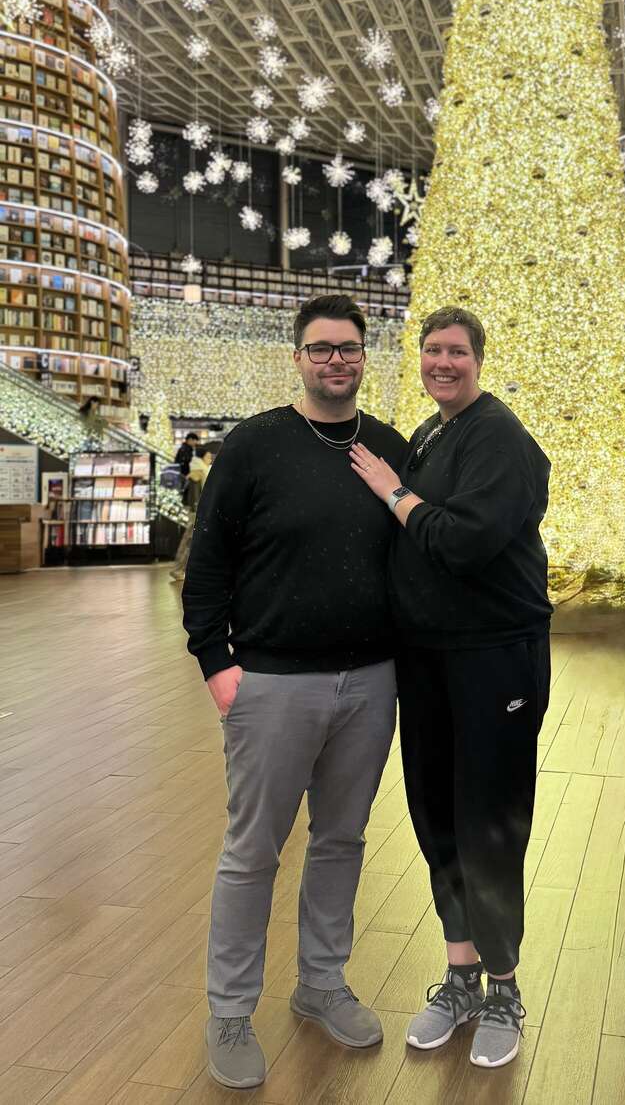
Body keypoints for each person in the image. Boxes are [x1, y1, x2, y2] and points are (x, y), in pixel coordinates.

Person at [182, 293, 407, 1091]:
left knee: (342, 839)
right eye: (321, 348)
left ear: (364, 356)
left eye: (348, 347)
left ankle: (321, 982)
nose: (335, 360)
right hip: (272, 682)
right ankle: (230, 1009)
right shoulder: (253, 446)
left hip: (371, 681)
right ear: (299, 357)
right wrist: (216, 663)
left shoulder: (389, 448)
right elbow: (207, 562)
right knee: (253, 852)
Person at [349, 305, 551, 1071]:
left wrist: (393, 491)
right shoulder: (432, 433)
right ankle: (461, 974)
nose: (443, 362)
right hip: (429, 658)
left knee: (488, 821)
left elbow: (463, 542)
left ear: (478, 359)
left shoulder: (497, 435)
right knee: (436, 813)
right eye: (432, 349)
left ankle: (504, 987)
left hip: (494, 658)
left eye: (456, 351)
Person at [170, 444, 215, 582]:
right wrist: (198, 511)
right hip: (197, 513)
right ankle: (178, 569)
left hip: (198, 512)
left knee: (191, 542)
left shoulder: (200, 471)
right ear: (202, 458)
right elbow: (195, 497)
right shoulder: (197, 473)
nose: (210, 459)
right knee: (190, 542)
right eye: (208, 457)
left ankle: (182, 570)